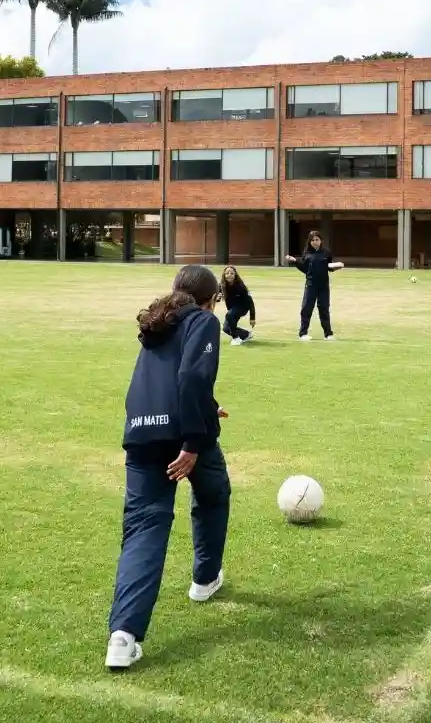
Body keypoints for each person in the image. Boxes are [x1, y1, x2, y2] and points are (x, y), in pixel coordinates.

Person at [106, 264, 230, 671]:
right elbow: (192, 375)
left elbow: (164, 379)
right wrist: (193, 442)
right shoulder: (203, 320)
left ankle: (122, 637)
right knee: (213, 494)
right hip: (184, 435)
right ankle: (204, 579)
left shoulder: (159, 320)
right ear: (211, 300)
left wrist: (208, 409)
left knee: (144, 527)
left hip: (141, 431)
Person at [286, 230, 344, 341]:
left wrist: (337, 266)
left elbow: (329, 267)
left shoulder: (326, 253)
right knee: (306, 308)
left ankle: (328, 334)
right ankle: (303, 333)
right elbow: (305, 269)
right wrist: (295, 261)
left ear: (321, 241)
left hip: (323, 286)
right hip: (311, 285)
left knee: (324, 309)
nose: (315, 242)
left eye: (317, 240)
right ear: (309, 242)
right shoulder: (307, 253)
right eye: (312, 240)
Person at [219, 265, 257, 346]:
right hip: (232, 309)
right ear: (224, 275)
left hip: (243, 307)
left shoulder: (241, 287)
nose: (229, 275)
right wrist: (217, 298)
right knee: (226, 328)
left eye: (232, 273)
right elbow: (217, 298)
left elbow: (250, 302)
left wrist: (252, 318)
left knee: (229, 315)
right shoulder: (222, 285)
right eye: (227, 273)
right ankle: (246, 334)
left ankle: (236, 338)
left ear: (235, 275)